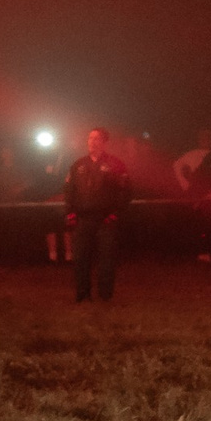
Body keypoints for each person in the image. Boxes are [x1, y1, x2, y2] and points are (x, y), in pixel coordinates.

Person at [64, 126, 130, 305]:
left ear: (104, 142)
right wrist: (69, 213)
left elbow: (125, 192)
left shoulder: (115, 164)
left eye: (96, 138)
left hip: (105, 220)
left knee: (107, 260)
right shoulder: (78, 165)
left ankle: (105, 295)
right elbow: (69, 191)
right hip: (82, 220)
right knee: (80, 259)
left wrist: (115, 214)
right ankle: (83, 294)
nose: (92, 142)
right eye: (90, 138)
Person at [175, 127, 211, 263]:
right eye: (203, 137)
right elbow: (179, 170)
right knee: (198, 226)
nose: (206, 140)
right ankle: (200, 252)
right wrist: (190, 190)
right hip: (197, 196)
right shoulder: (190, 156)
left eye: (209, 137)